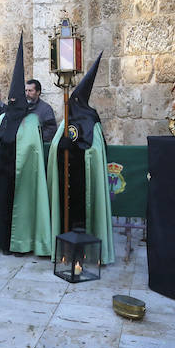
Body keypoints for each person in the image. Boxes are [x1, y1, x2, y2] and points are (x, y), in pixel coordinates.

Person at [0, 35, 51, 256]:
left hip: (23, 178)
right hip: (3, 175)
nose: (12, 105)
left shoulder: (32, 122)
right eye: (9, 101)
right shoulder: (2, 119)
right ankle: (2, 242)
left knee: (21, 208)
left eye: (16, 102)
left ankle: (21, 243)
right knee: (2, 207)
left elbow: (33, 152)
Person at [45, 53, 115, 264]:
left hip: (84, 178)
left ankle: (86, 251)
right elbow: (56, 146)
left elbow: (96, 150)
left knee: (83, 214)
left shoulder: (91, 119)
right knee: (66, 212)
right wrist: (61, 147)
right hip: (65, 178)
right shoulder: (66, 119)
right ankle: (66, 249)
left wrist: (78, 149)